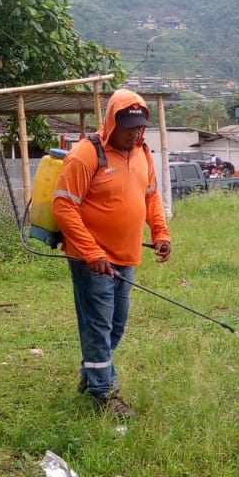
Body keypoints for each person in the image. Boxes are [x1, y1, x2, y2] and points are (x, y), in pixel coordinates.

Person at [52, 88, 171, 418]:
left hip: (125, 256)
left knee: (116, 325)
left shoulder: (142, 153)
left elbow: (151, 196)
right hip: (91, 260)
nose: (134, 133)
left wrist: (160, 232)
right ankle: (104, 393)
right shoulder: (86, 154)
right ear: (111, 124)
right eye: (128, 127)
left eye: (140, 127)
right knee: (99, 325)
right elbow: (63, 206)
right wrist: (92, 252)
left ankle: (93, 374)